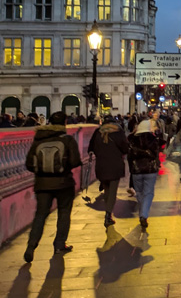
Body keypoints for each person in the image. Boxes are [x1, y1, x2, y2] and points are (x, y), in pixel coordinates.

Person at [23, 111, 82, 262]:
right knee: (63, 213)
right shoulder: (67, 140)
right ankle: (59, 245)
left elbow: (29, 164)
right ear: (65, 123)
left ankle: (31, 246)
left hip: (42, 184)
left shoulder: (39, 140)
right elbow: (75, 161)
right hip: (64, 183)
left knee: (40, 215)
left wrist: (42, 171)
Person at [88, 115, 130, 227]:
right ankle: (108, 215)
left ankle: (108, 212)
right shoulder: (118, 132)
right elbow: (125, 148)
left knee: (107, 190)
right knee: (112, 192)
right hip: (115, 165)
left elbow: (91, 148)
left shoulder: (98, 132)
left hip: (101, 165)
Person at [128, 118, 162, 231]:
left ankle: (142, 213)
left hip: (136, 171)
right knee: (148, 193)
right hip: (150, 170)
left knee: (139, 193)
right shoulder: (153, 139)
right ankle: (143, 215)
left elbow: (130, 156)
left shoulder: (132, 140)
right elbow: (156, 153)